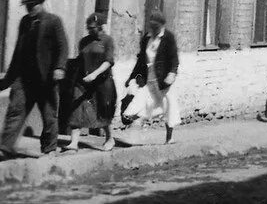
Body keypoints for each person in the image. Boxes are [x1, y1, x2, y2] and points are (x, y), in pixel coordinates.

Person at [0, 0, 69, 158]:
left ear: (41, 4)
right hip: (24, 79)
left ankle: (49, 149)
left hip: (46, 79)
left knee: (49, 116)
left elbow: (62, 46)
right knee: (15, 111)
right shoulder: (24, 22)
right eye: (27, 6)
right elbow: (18, 52)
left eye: (32, 6)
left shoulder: (53, 21)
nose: (29, 9)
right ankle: (5, 147)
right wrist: (7, 81)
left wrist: (59, 68)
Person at [63, 13, 117, 152]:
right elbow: (80, 59)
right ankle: (74, 143)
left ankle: (110, 138)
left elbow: (109, 61)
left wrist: (95, 74)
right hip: (83, 81)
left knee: (103, 111)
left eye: (93, 28)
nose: (90, 30)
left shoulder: (107, 41)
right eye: (89, 27)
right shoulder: (84, 41)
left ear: (100, 27)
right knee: (77, 109)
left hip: (102, 82)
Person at [126, 10, 180, 144]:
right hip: (148, 77)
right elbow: (141, 60)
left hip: (163, 79)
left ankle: (169, 137)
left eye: (156, 27)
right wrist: (132, 77)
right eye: (152, 26)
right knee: (140, 104)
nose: (154, 29)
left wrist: (172, 74)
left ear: (162, 25)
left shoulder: (168, 37)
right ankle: (134, 139)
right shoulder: (146, 38)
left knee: (169, 105)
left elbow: (174, 59)